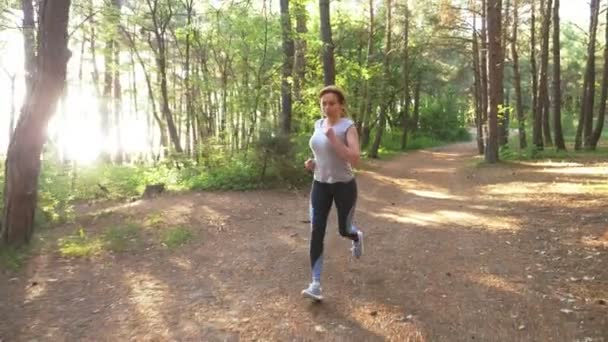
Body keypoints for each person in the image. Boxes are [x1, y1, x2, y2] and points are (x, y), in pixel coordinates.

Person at [301, 85, 364, 301]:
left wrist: (334, 139)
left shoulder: (348, 127)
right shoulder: (318, 124)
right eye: (324, 103)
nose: (327, 107)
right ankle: (316, 283)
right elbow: (321, 154)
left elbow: (355, 159)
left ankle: (356, 236)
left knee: (343, 230)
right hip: (320, 184)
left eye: (332, 103)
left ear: (341, 106)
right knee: (316, 230)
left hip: (344, 185)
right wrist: (312, 163)